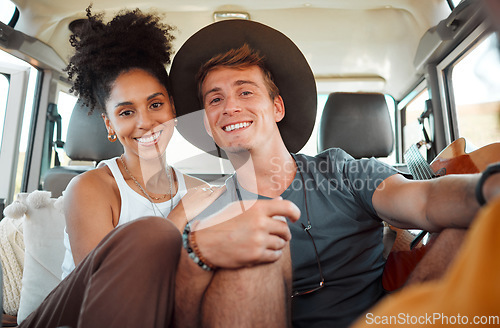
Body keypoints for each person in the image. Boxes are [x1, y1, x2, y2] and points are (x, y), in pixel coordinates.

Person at [168, 19, 500, 328]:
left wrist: (487, 189)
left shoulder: (341, 171)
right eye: (215, 99)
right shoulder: (203, 210)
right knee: (254, 257)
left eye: (245, 91)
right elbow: (182, 317)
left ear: (277, 108)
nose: (230, 107)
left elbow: (425, 201)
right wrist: (197, 251)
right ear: (209, 127)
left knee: (470, 222)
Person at [18, 7, 300, 328]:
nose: (145, 122)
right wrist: (178, 217)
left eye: (155, 105)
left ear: (172, 108)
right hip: (71, 316)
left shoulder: (200, 191)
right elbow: (104, 291)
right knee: (148, 233)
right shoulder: (92, 188)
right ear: (109, 124)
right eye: (126, 112)